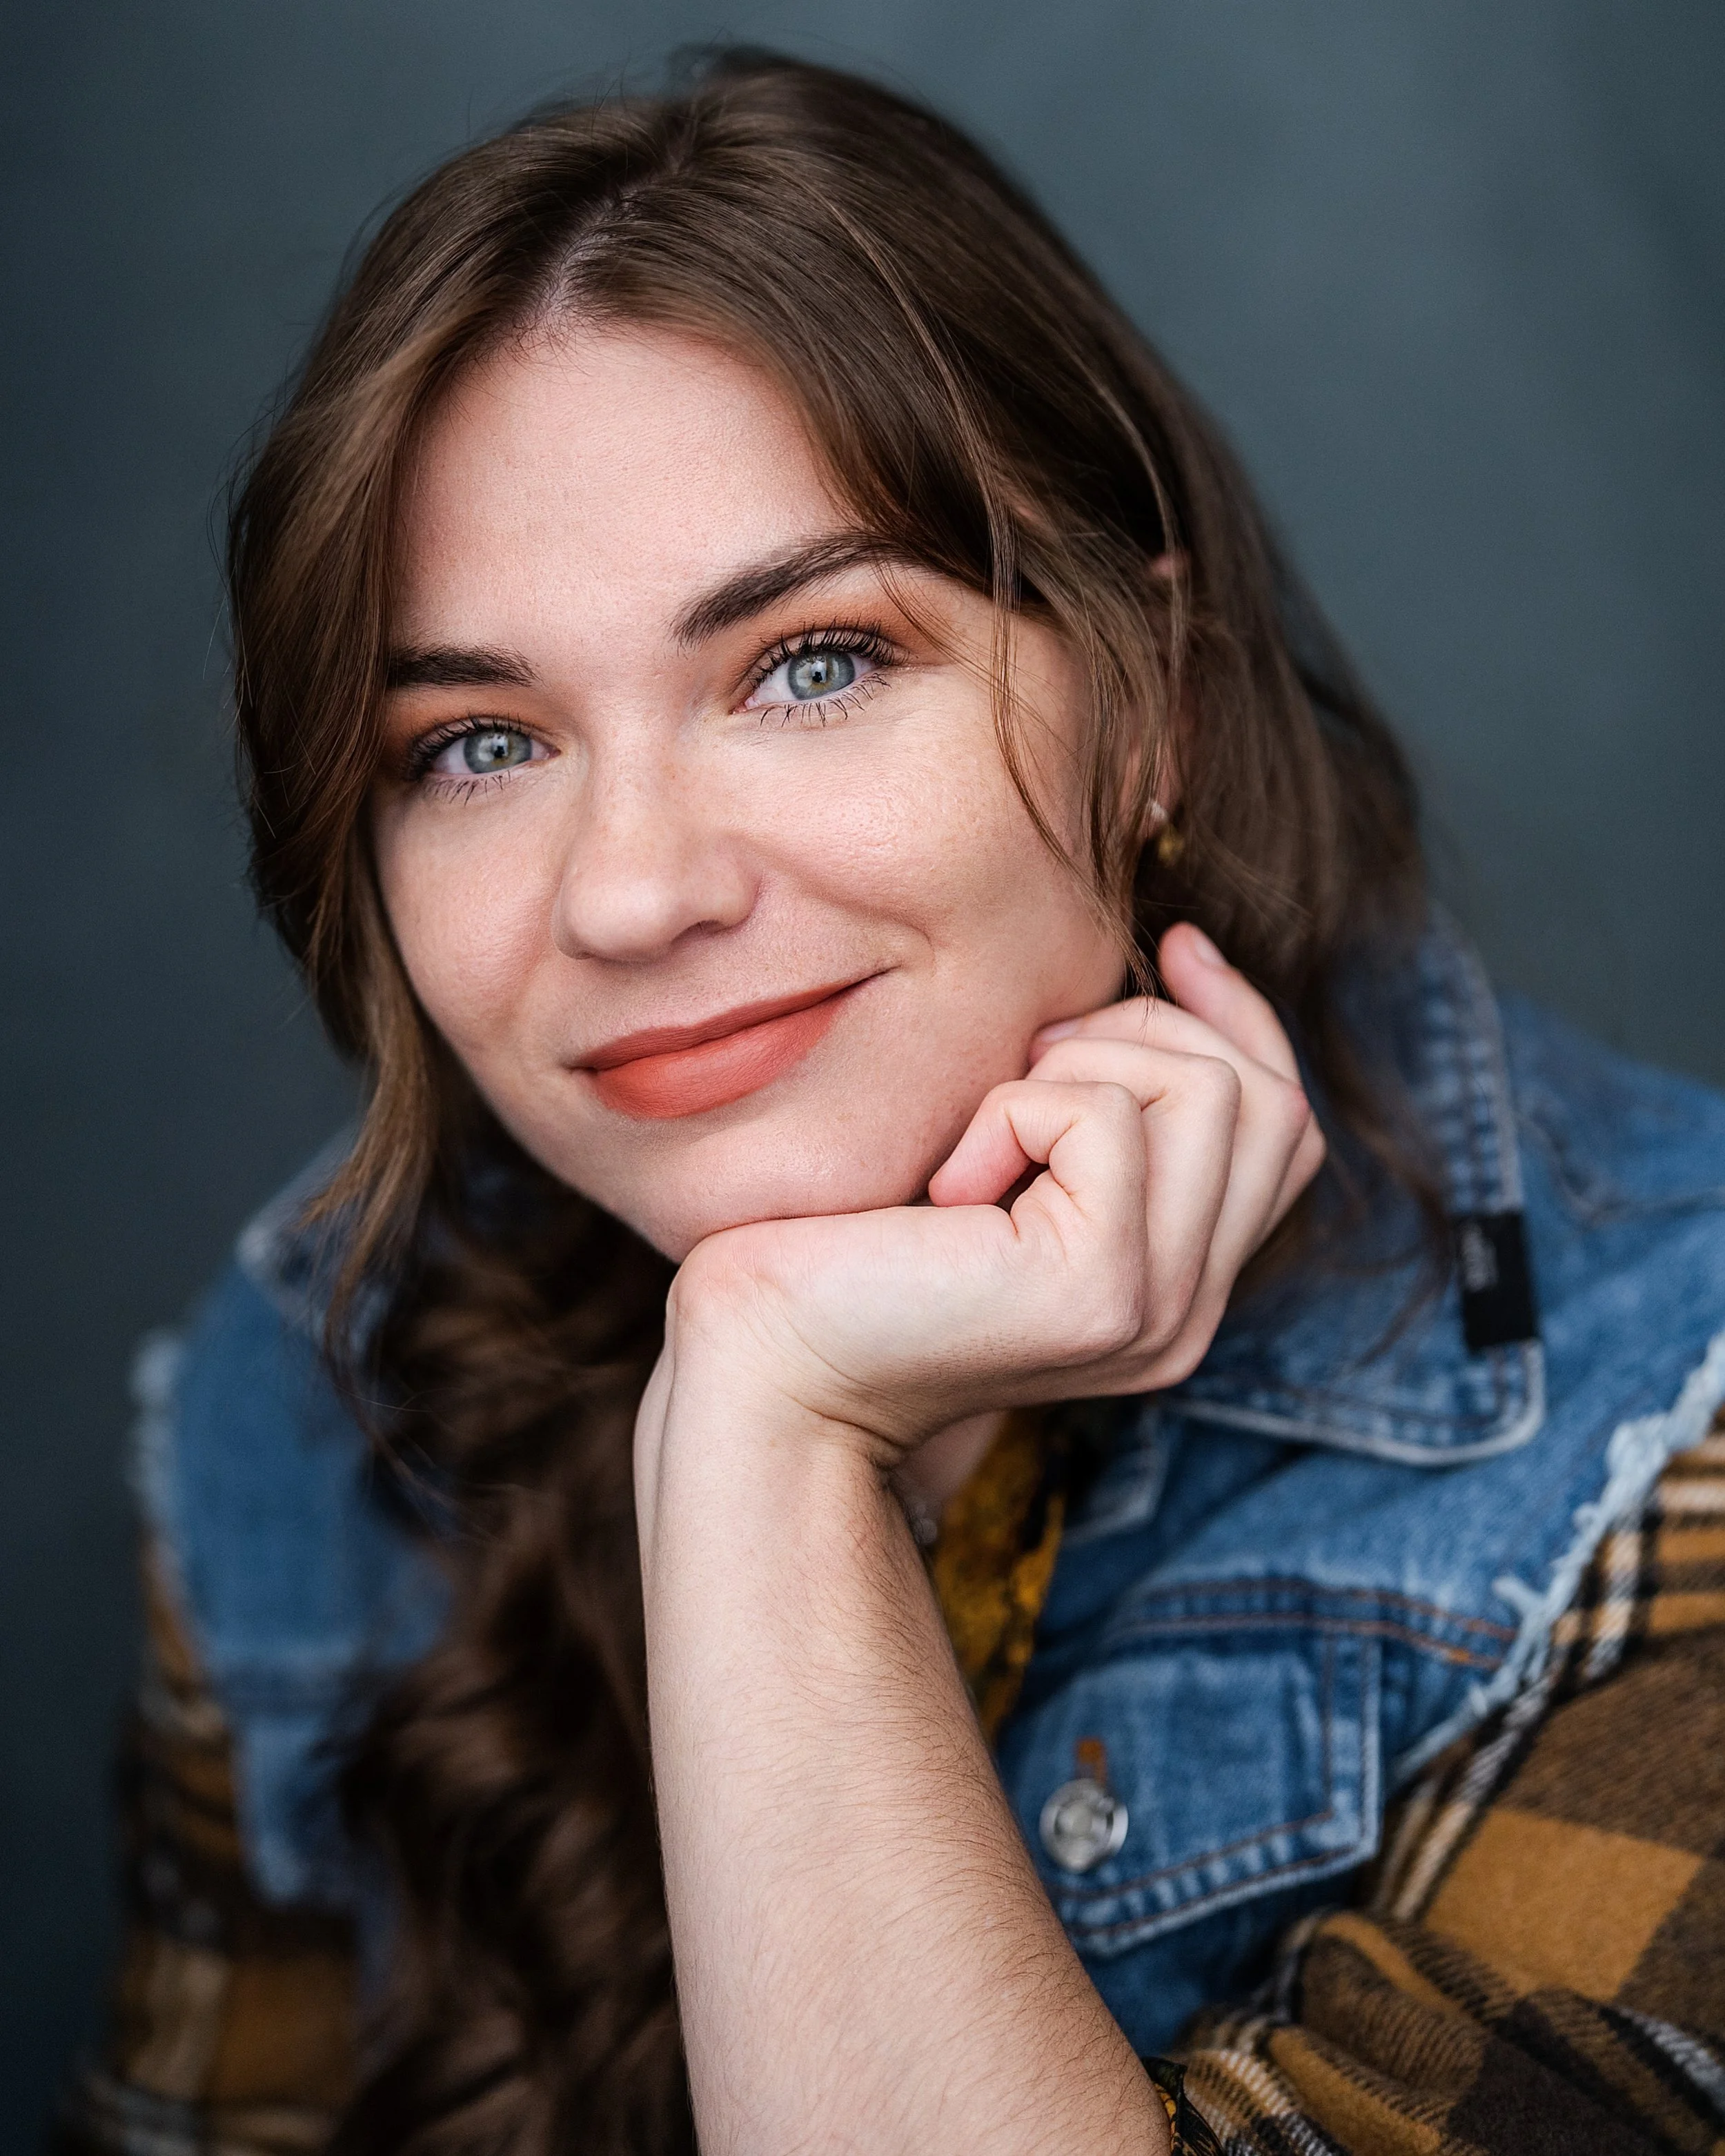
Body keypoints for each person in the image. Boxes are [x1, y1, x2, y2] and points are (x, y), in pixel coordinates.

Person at [62, 52, 1725, 2156]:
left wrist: (767, 1426)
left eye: (813, 661)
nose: (637, 888)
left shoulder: (1677, 1442)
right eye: (478, 743)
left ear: (1152, 705)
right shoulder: (314, 1385)